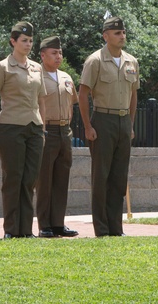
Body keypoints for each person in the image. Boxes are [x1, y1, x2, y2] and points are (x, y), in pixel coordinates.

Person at [78, 16, 140, 237]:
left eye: (123, 32)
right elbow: (83, 94)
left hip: (123, 121)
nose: (122, 36)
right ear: (106, 36)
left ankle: (116, 228)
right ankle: (102, 229)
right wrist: (87, 126)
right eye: (117, 33)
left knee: (119, 178)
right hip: (103, 120)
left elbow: (133, 95)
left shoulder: (131, 61)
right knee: (101, 177)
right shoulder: (95, 61)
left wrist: (130, 124)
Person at [0, 21, 47, 239]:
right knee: (13, 178)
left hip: (34, 128)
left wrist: (43, 128)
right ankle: (11, 229)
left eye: (30, 41)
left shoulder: (37, 67)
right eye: (24, 40)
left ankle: (26, 230)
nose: (28, 44)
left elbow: (42, 99)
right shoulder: (2, 67)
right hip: (10, 127)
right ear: (13, 41)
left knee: (30, 179)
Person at [35, 35, 79, 238]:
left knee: (62, 179)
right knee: (44, 180)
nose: (58, 56)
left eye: (60, 52)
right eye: (54, 53)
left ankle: (58, 223)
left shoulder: (66, 77)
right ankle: (45, 224)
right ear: (43, 55)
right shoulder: (36, 76)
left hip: (64, 131)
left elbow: (73, 102)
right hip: (47, 130)